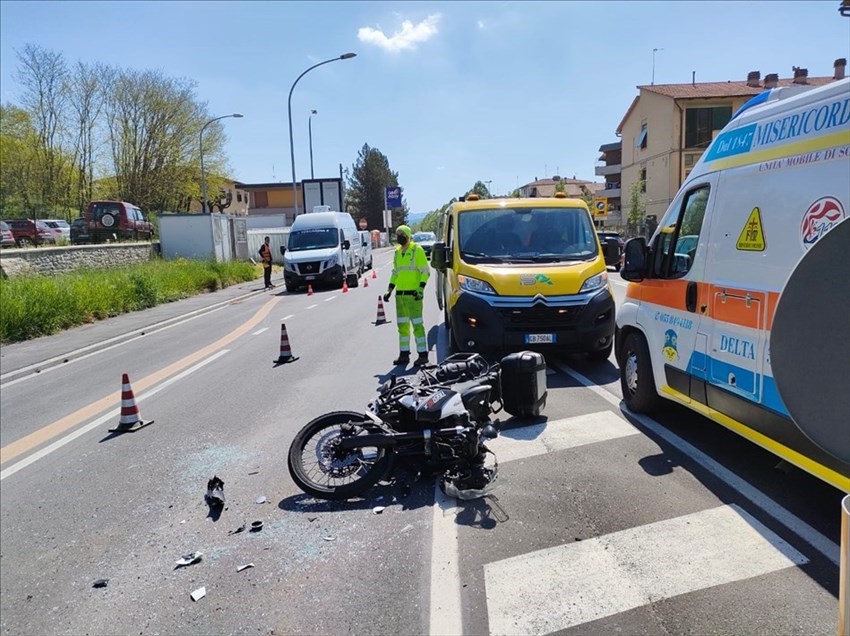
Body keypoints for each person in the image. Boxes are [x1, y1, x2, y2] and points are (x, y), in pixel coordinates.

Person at [383, 225, 430, 366]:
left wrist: (420, 289)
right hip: (400, 296)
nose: (399, 236)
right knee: (402, 326)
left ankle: (423, 355)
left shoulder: (417, 250)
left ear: (408, 235)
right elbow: (395, 273)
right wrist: (389, 290)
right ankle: (404, 355)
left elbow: (425, 272)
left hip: (414, 296)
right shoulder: (397, 252)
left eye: (402, 234)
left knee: (417, 325)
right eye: (397, 234)